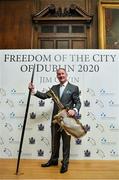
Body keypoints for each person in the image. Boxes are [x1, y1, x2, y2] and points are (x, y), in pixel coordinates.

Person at [29, 68, 81, 173]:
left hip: (67, 121)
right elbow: (44, 96)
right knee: (55, 141)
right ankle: (53, 160)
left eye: (62, 74)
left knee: (66, 143)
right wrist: (33, 90)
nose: (61, 75)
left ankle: (65, 164)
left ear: (66, 75)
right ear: (57, 76)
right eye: (58, 74)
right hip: (56, 120)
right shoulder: (54, 88)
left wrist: (74, 110)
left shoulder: (74, 88)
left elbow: (78, 102)